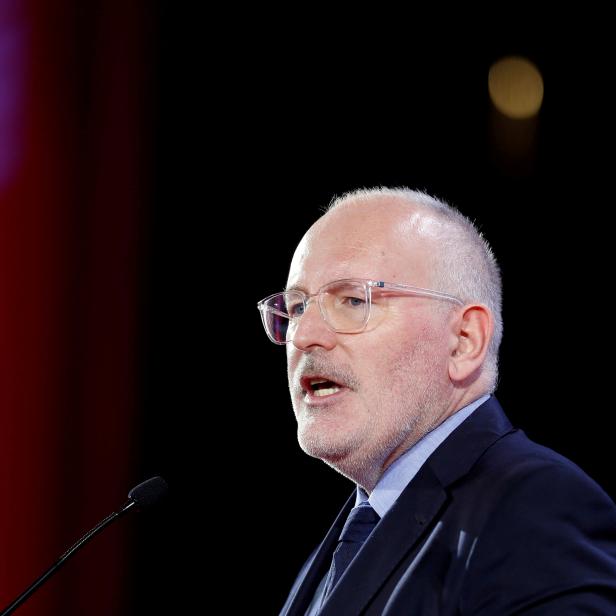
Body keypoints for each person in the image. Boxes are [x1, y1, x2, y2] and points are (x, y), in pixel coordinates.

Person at [257, 187, 616, 615]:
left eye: (353, 300)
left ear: (464, 341)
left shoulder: (536, 508)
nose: (303, 334)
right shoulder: (351, 534)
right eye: (296, 307)